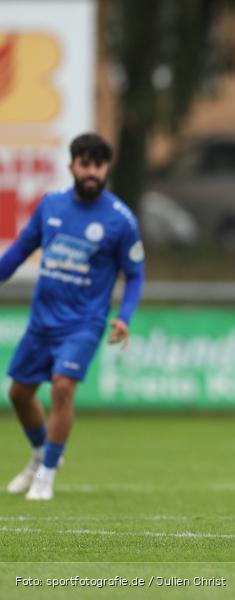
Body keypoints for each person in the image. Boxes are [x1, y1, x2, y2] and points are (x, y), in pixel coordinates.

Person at [1, 133, 145, 501]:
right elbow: (19, 251)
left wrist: (124, 316)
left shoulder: (120, 219)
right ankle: (39, 454)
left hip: (84, 323)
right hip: (42, 320)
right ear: (72, 167)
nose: (92, 171)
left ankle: (47, 473)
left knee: (63, 386)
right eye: (85, 164)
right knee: (18, 393)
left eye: (98, 164)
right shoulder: (50, 206)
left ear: (106, 168)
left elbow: (135, 274)